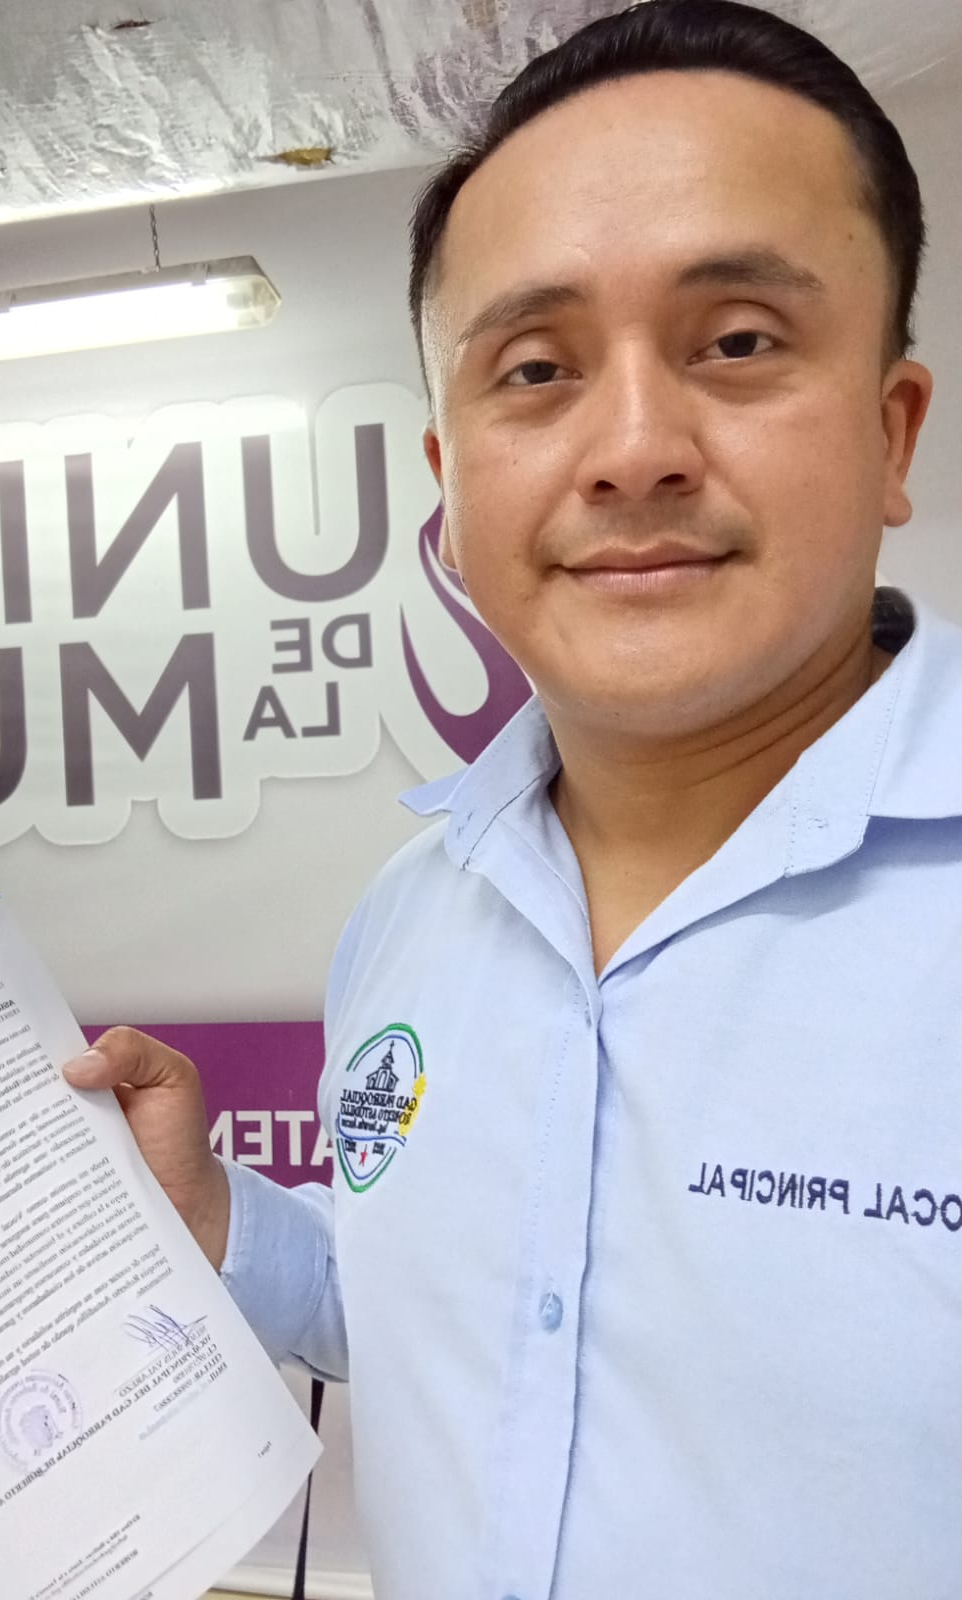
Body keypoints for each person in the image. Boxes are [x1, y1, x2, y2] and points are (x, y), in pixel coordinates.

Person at [63, 3, 962, 1594]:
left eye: (737, 342)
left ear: (891, 430)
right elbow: (458, 1323)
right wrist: (218, 1217)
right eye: (536, 370)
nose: (633, 449)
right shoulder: (415, 913)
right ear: (451, 485)